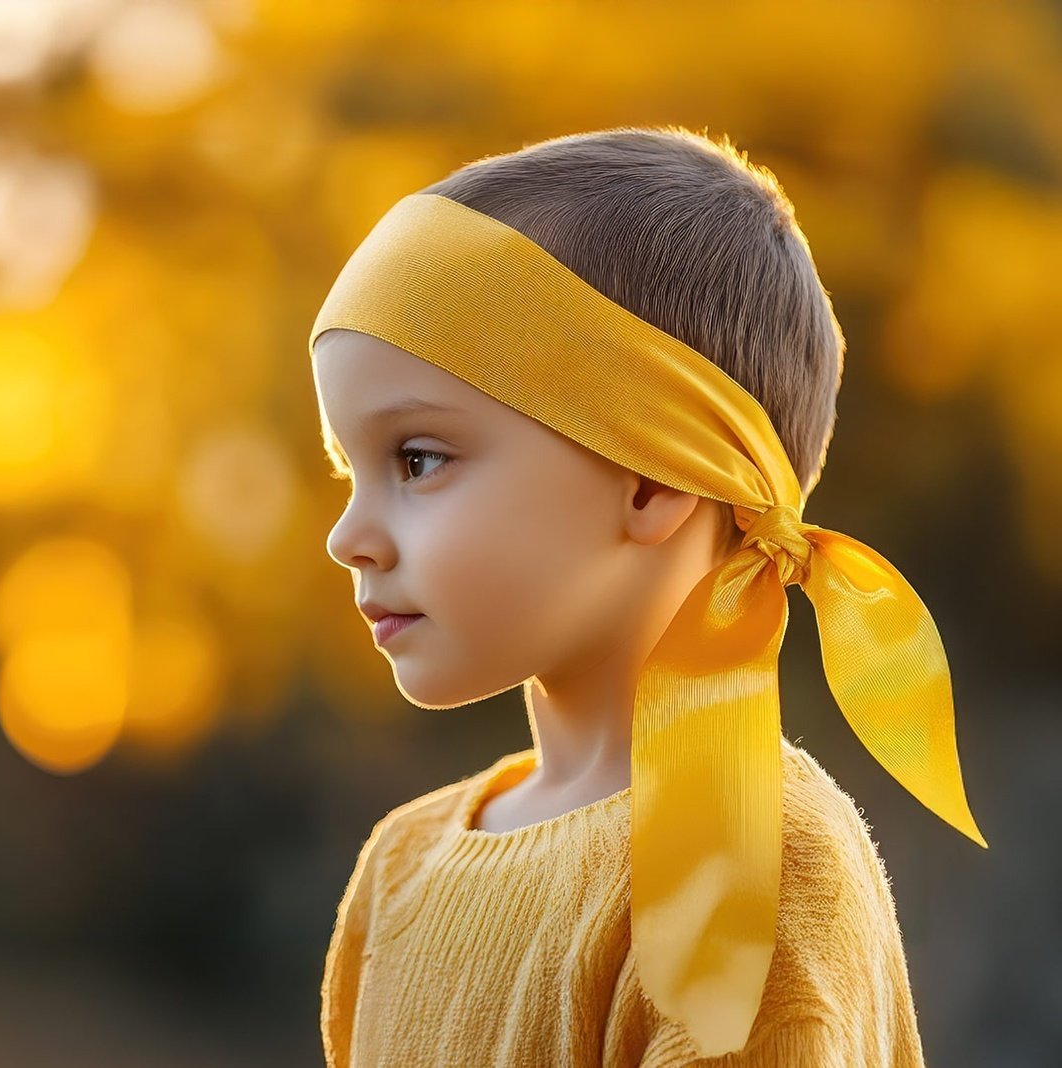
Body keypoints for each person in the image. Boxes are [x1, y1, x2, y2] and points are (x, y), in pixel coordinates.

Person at [310, 126, 987, 1066]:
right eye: (350, 469)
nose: (348, 537)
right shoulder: (401, 864)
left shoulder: (750, 877)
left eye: (417, 459)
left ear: (651, 477)